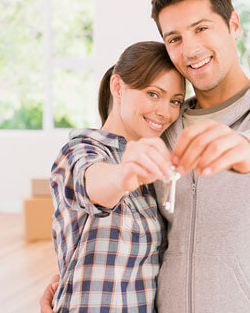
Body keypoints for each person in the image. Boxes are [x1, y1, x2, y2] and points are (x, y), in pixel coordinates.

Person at [42, 0, 250, 313]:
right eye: (174, 38)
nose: (190, 49)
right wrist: (72, 280)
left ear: (233, 25)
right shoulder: (164, 129)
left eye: (202, 28)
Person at [49, 41, 185, 312]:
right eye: (153, 94)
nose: (165, 111)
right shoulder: (81, 151)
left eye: (175, 101)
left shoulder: (155, 169)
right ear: (118, 86)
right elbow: (92, 183)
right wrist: (122, 175)